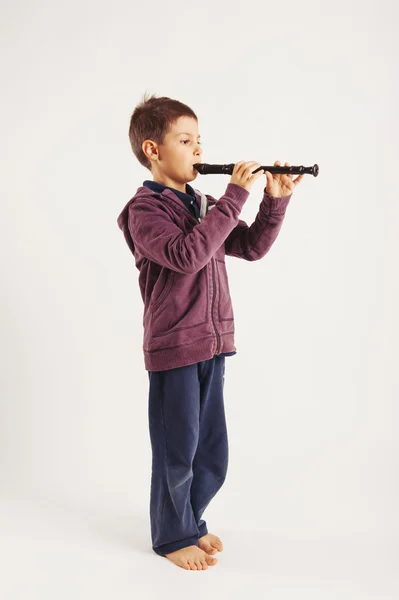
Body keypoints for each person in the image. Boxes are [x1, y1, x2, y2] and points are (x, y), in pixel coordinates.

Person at [117, 93, 303, 571]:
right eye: (185, 140)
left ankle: (191, 520)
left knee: (210, 450)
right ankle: (170, 536)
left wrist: (272, 201)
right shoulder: (145, 210)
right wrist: (235, 196)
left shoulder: (204, 203)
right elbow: (186, 255)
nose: (198, 150)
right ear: (153, 150)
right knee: (177, 447)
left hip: (213, 342)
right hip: (174, 344)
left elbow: (251, 246)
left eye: (200, 141)